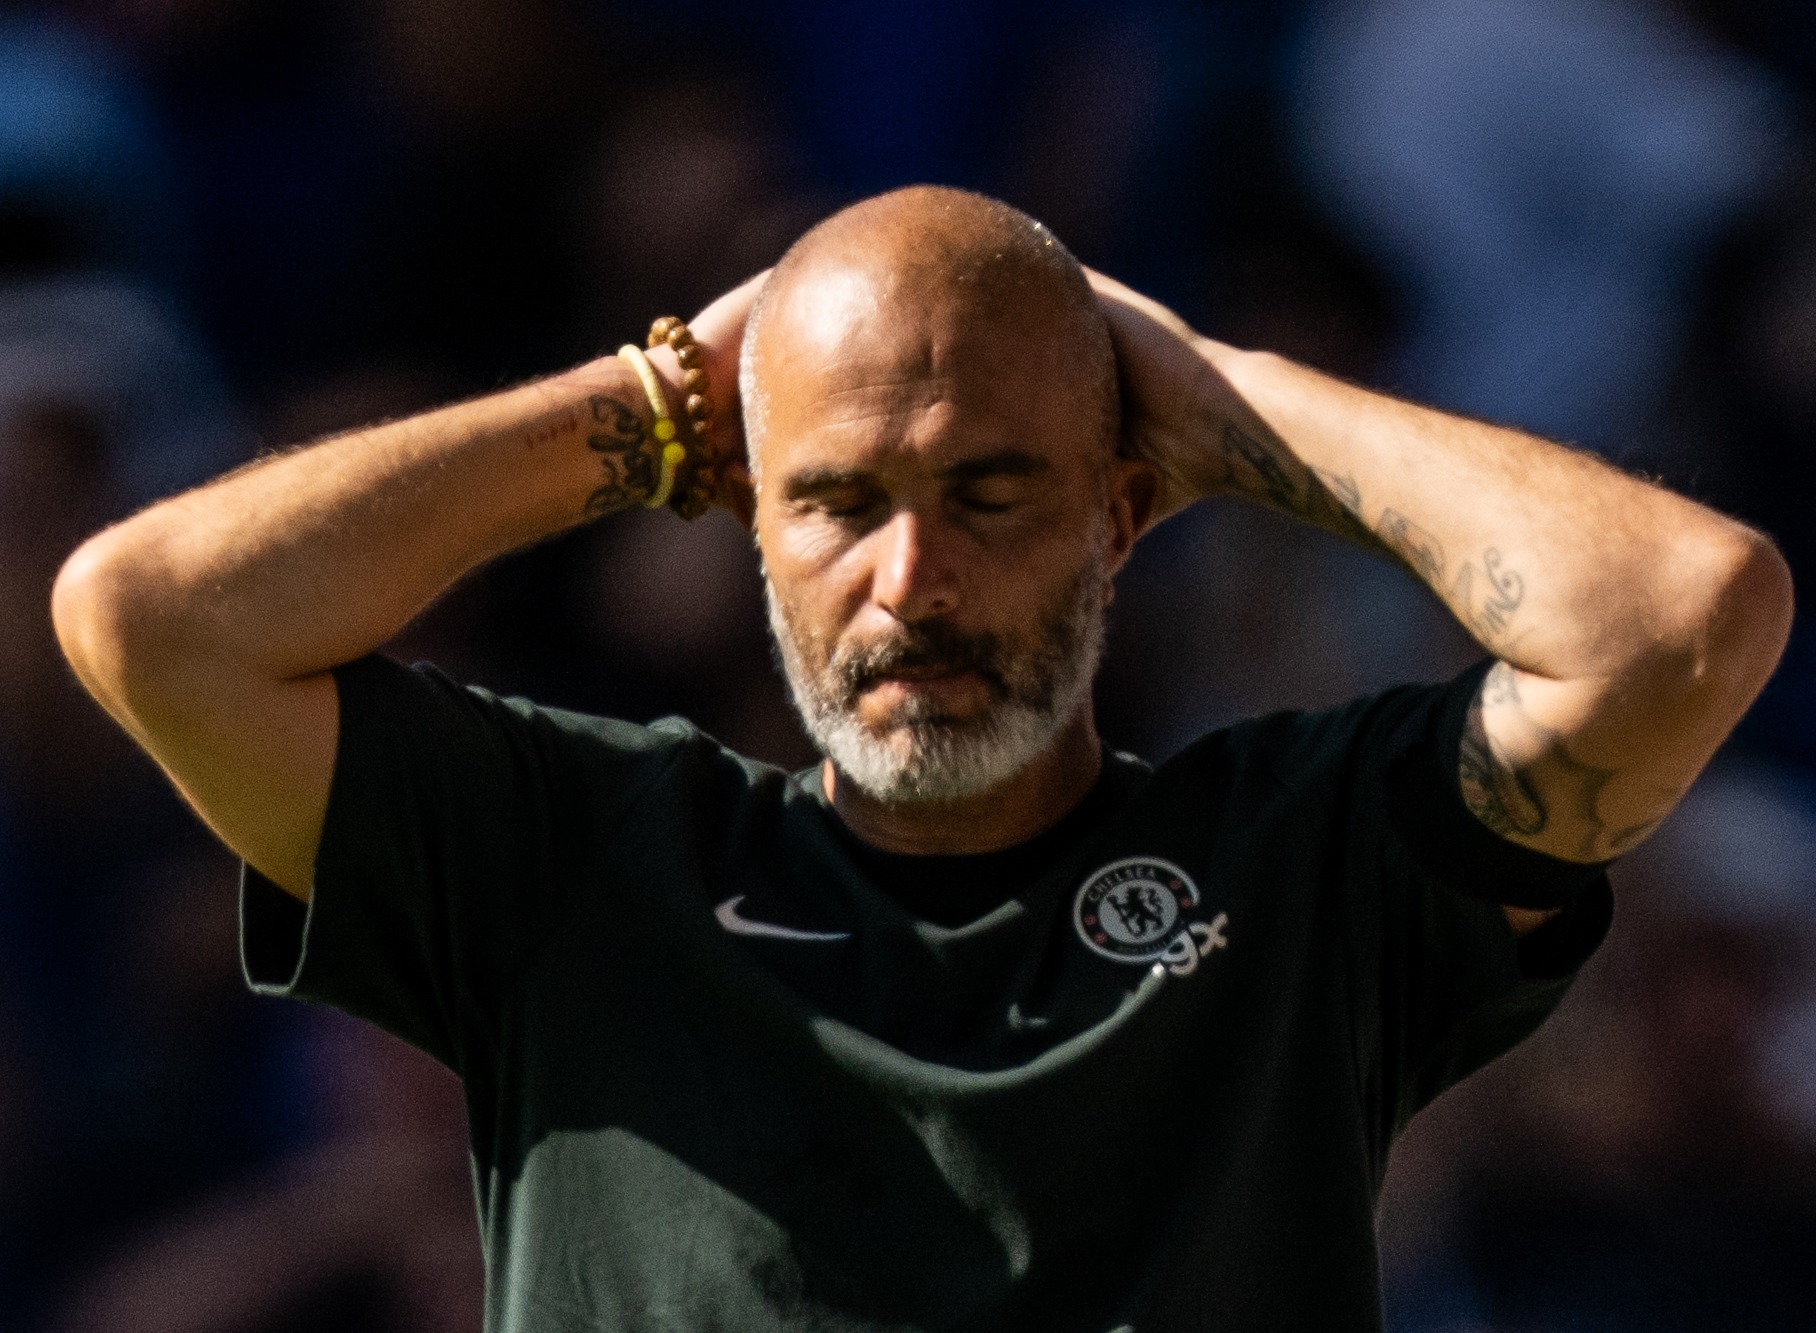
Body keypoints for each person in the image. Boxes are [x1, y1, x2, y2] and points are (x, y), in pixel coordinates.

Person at [50, 186, 1792, 1331]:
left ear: (1122, 517)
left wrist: (1226, 398)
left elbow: (1685, 614)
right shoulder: (568, 853)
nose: (910, 580)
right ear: (746, 517)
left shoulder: (1306, 860)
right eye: (835, 502)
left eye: (991, 493)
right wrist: (653, 406)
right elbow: (150, 615)